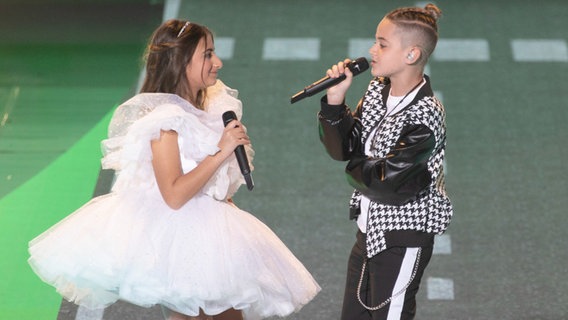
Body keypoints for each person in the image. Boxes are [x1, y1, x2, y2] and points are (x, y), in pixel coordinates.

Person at [28, 19, 320, 320]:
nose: (217, 62)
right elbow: (174, 194)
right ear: (181, 62)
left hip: (210, 235)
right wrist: (222, 150)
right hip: (180, 243)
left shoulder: (212, 105)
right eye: (207, 54)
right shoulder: (164, 119)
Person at [316, 4, 452, 320]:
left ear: (411, 55)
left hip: (401, 240)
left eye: (382, 43)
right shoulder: (379, 89)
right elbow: (344, 149)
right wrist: (335, 101)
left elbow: (383, 183)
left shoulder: (426, 116)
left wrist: (355, 165)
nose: (371, 50)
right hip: (368, 232)